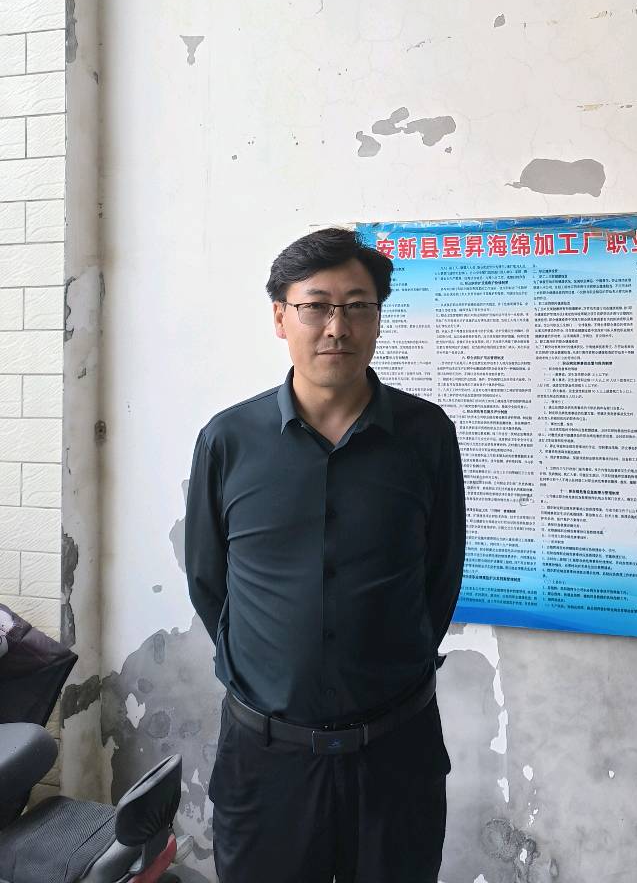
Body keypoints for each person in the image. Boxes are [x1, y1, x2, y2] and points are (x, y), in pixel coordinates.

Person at [185, 227, 466, 883]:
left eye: (357, 306)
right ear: (280, 317)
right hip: (268, 763)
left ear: (378, 318)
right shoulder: (229, 440)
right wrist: (273, 669)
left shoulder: (426, 435)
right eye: (315, 306)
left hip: (396, 755)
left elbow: (440, 573)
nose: (337, 326)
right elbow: (208, 579)